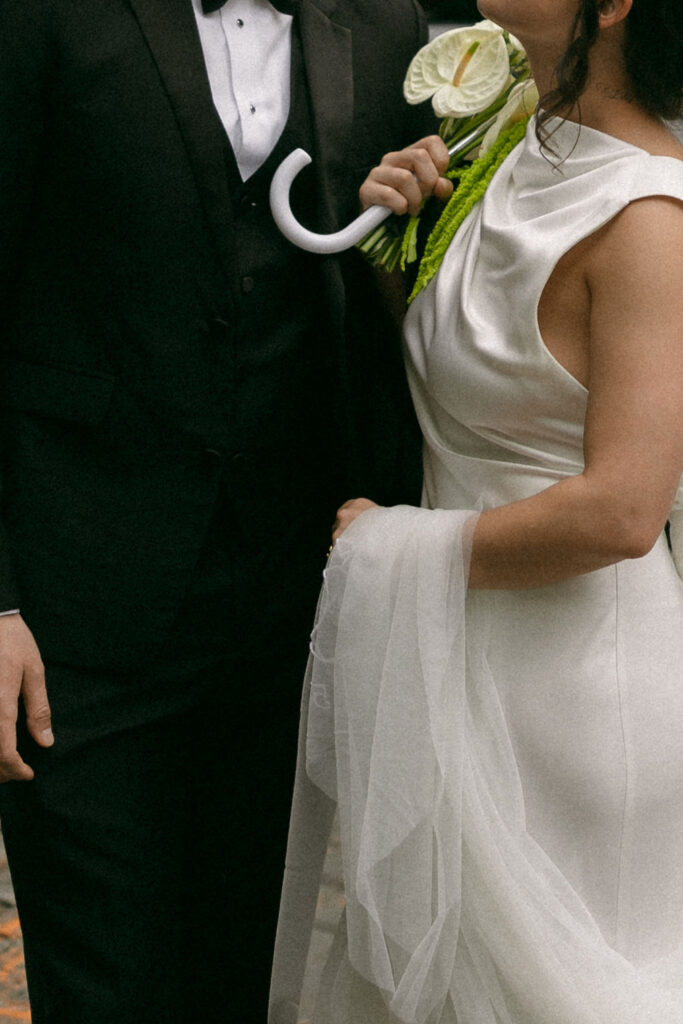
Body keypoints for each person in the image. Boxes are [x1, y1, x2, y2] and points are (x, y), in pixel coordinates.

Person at [0, 1, 437, 1021]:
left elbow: (397, 331)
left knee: (236, 982)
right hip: (75, 619)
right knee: (106, 991)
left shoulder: (383, 25)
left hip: (285, 615)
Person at [269, 0, 683, 1020]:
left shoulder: (648, 218)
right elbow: (478, 376)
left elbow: (622, 512)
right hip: (445, 661)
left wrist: (392, 547)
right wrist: (393, 244)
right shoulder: (504, 138)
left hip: (575, 696)